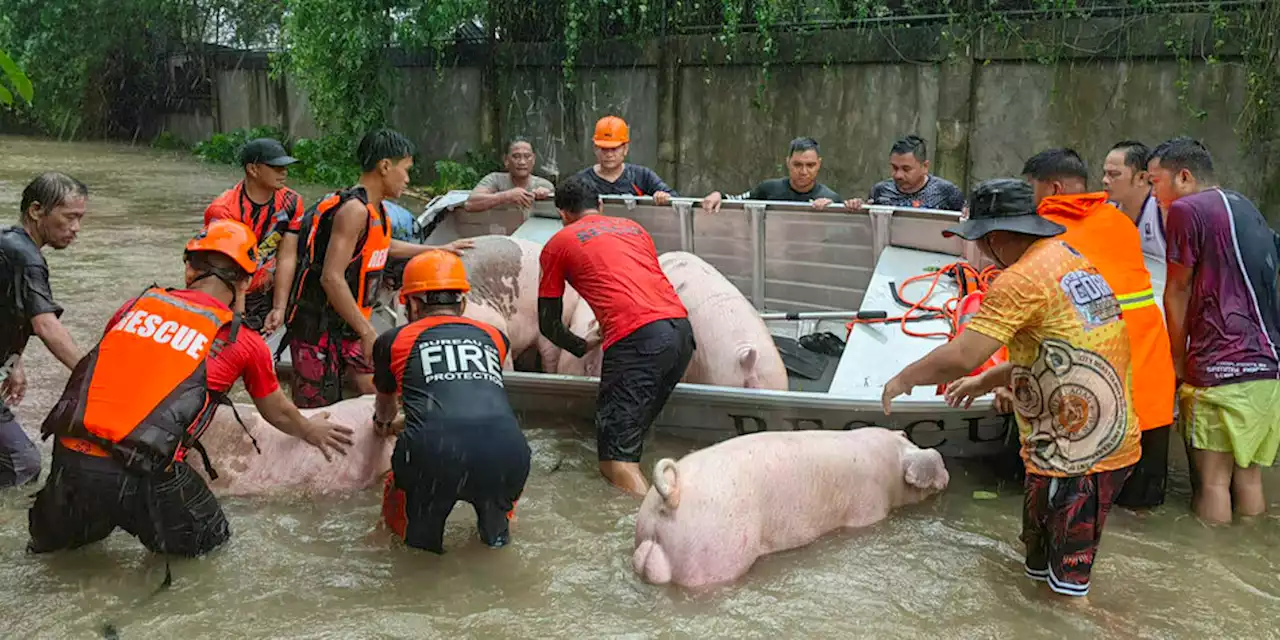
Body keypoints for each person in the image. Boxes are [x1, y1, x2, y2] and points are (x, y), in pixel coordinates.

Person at [27, 219, 354, 557]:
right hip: (140, 472)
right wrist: (310, 430)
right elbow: (277, 410)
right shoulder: (242, 341)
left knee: (59, 554)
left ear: (188, 270)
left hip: (68, 457)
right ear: (246, 283)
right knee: (210, 547)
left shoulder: (134, 307)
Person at [883, 178, 1138, 603]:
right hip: (1083, 440)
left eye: (982, 242)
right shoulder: (1068, 258)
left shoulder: (1019, 280)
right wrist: (989, 380)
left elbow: (964, 353)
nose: (980, 252)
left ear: (998, 237)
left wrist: (905, 377)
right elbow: (1061, 346)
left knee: (1067, 597)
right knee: (1037, 572)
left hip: (1080, 457)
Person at [1022, 148, 1175, 509]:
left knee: (1074, 514)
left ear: (1052, 189)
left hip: (1095, 404)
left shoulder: (1045, 234)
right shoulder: (1122, 224)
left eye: (1031, 189)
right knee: (1141, 514)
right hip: (1151, 394)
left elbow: (1023, 316)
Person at [283, 128, 472, 409]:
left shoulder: (377, 211)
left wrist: (438, 249)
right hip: (318, 331)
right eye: (405, 170)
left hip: (350, 327)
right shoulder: (354, 210)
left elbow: (383, 246)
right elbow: (331, 278)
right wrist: (368, 332)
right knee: (317, 415)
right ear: (385, 166)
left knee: (382, 393)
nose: (408, 179)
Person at [1149, 136, 1280, 525]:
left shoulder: (1187, 209)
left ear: (1184, 176)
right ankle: (1245, 550)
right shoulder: (1245, 205)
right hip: (1267, 372)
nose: (1154, 194)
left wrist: (1176, 358)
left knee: (1212, 483)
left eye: (1156, 182)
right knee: (1249, 478)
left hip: (1220, 369)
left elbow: (1177, 288)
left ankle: (1209, 564)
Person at [537, 176, 695, 496]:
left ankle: (650, 532)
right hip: (680, 332)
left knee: (615, 462)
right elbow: (632, 284)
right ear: (600, 205)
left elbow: (548, 323)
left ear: (562, 215)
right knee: (632, 438)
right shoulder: (633, 228)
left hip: (638, 341)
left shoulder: (560, 242)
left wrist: (582, 346)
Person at [373, 250, 530, 554]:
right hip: (507, 451)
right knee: (495, 546)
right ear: (463, 302)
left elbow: (386, 408)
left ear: (413, 304)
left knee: (415, 551)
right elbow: (469, 391)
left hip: (433, 453)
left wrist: (383, 426)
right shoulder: (495, 337)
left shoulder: (392, 340)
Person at [1, 173, 88, 488]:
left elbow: (7, 311)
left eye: (80, 219)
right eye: (70, 217)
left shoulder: (9, 245)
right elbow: (46, 325)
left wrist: (13, 361)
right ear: (37, 211)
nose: (76, 228)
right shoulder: (26, 258)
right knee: (23, 465)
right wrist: (92, 373)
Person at [204, 138, 306, 334]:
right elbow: (222, 270)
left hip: (263, 289)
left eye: (285, 167)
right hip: (226, 290)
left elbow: (286, 257)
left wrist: (279, 307)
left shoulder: (292, 202)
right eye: (276, 167)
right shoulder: (223, 211)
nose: (283, 172)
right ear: (253, 169)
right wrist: (238, 314)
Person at [701, 137, 842, 212]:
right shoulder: (768, 189)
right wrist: (718, 195)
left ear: (819, 164)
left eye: (810, 165)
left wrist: (831, 211)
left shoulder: (831, 199)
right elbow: (736, 200)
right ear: (788, 162)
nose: (804, 171)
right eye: (797, 165)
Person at [845, 135, 966, 211]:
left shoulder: (947, 192)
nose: (898, 175)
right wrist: (857, 207)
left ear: (925, 166)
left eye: (906, 169)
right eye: (894, 168)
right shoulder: (880, 191)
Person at [1102, 140, 1166, 263]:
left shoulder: (1164, 212)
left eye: (1113, 174)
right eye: (1104, 173)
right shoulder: (1103, 210)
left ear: (1142, 178)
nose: (1104, 180)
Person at [464, 137, 556, 212]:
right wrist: (506, 196)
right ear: (506, 160)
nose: (522, 162)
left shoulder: (544, 185)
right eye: (516, 157)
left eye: (527, 156)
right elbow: (470, 204)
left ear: (534, 160)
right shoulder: (495, 179)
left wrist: (547, 198)